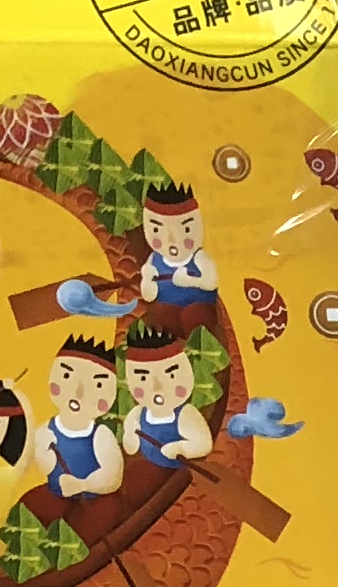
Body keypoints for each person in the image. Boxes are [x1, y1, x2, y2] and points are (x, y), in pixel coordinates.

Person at [39, 338, 128, 502]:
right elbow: (44, 467)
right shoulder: (46, 428)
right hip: (57, 499)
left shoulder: (101, 434)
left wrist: (83, 485)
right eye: (67, 376)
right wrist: (42, 452)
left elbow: (113, 477)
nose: (78, 392)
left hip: (95, 502)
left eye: (98, 385)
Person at [121, 323, 212, 473]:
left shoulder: (186, 414)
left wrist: (179, 448)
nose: (157, 387)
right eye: (143, 378)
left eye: (171, 376)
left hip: (180, 472)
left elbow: (203, 445)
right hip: (150, 469)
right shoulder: (137, 414)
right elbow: (130, 448)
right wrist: (131, 435)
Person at [135, 181, 223, 308]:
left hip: (199, 307)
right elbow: (149, 297)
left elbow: (212, 283)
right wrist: (148, 279)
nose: (172, 240)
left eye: (186, 230)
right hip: (165, 309)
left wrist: (189, 281)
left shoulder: (199, 257)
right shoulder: (154, 259)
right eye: (156, 230)